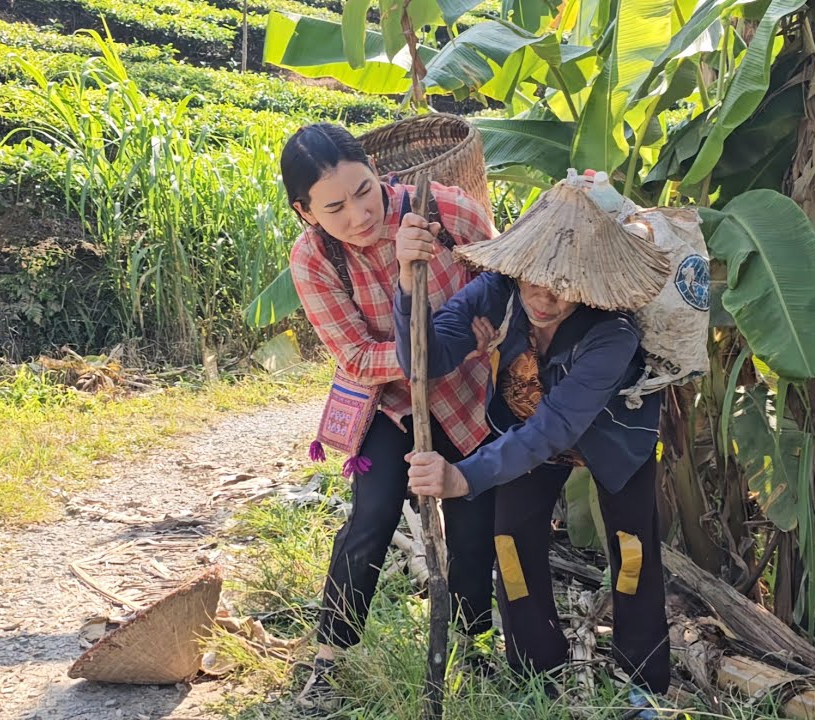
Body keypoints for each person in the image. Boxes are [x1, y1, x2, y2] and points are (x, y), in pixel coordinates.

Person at [392, 175, 673, 715]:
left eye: (564, 285)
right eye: (534, 282)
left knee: (634, 551)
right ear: (516, 270)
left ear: (588, 281)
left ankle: (643, 678)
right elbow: (421, 360)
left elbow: (556, 429)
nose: (546, 297)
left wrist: (464, 476)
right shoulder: (495, 293)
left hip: (615, 441)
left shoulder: (612, 333)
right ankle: (534, 666)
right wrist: (408, 284)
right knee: (512, 545)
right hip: (521, 435)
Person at [282, 123, 498, 711]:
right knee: (372, 515)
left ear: (379, 173)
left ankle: (475, 649)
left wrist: (486, 336)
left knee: (473, 522)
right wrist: (427, 351)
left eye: (364, 191)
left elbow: (503, 285)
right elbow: (353, 353)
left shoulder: (447, 213)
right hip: (387, 401)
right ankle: (329, 657)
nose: (358, 214)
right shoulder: (315, 259)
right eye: (334, 206)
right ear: (306, 212)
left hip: (470, 396)